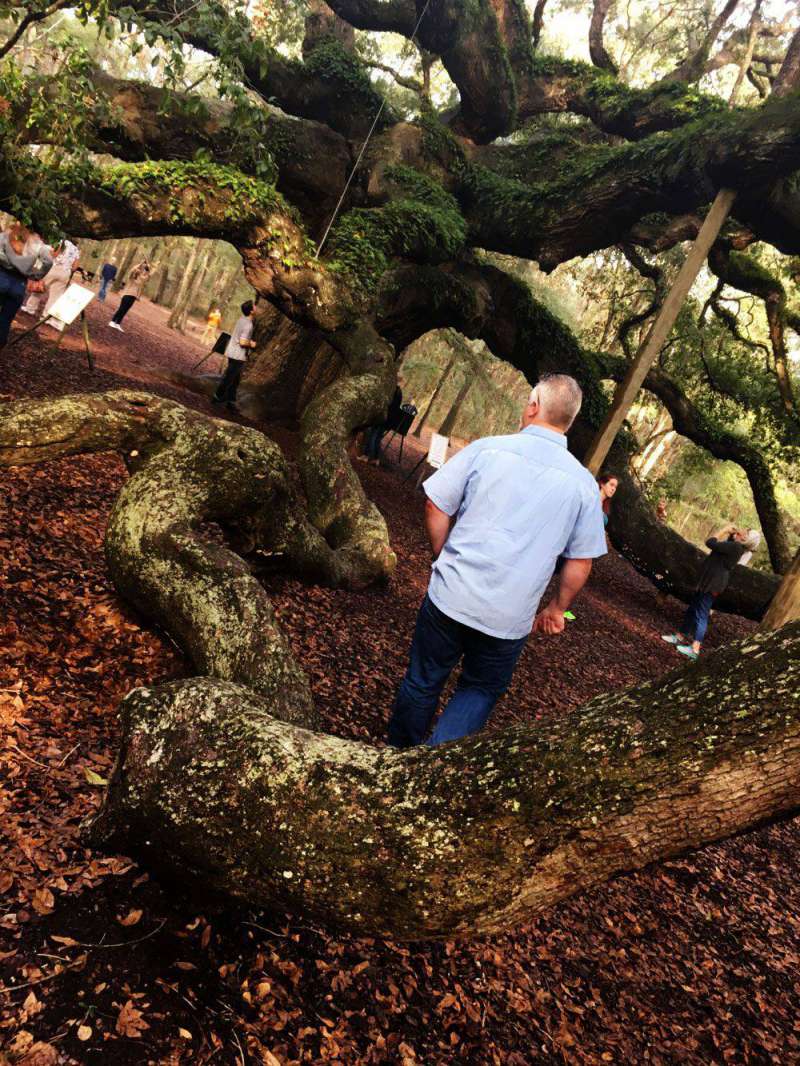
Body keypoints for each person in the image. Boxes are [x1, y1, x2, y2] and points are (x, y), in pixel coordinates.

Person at [387, 374, 608, 748]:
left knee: (424, 678)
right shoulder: (583, 485)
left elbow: (436, 504)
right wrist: (557, 608)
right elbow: (581, 560)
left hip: (451, 595)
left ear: (534, 405)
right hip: (509, 616)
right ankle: (433, 766)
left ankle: (399, 754)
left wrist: (442, 555)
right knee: (480, 689)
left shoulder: (487, 449)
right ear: (567, 421)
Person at [661, 523, 761, 660]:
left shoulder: (735, 547)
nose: (744, 529)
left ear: (746, 539)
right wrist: (731, 534)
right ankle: (679, 637)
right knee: (693, 609)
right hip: (708, 580)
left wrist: (723, 530)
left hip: (713, 583)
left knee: (701, 614)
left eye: (747, 531)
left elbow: (710, 542)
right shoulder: (735, 546)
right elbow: (725, 543)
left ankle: (695, 649)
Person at [0, 223, 53, 349]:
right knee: (6, 319)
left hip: (2, 276)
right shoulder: (40, 245)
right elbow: (49, 261)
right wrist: (36, 275)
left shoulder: (7, 236)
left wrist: (8, 262)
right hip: (19, 284)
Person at [212, 300, 257, 408]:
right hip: (238, 355)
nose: (257, 308)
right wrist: (251, 344)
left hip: (232, 352)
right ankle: (216, 397)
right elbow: (242, 342)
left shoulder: (241, 319)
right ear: (251, 311)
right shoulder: (248, 325)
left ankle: (231, 401)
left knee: (235, 379)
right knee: (229, 377)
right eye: (254, 307)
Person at [360, 382, 404, 464]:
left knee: (373, 436)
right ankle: (376, 459)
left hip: (384, 419)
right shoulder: (399, 393)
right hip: (389, 421)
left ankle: (366, 456)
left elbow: (388, 405)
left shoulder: (393, 391)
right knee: (377, 439)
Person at [109, 259, 151, 332]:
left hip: (133, 297)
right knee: (121, 308)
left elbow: (147, 277)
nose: (139, 271)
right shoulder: (131, 277)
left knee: (125, 310)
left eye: (139, 271)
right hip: (127, 295)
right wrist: (141, 263)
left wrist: (148, 269)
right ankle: (112, 321)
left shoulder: (141, 279)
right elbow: (133, 270)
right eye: (138, 271)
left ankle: (118, 323)